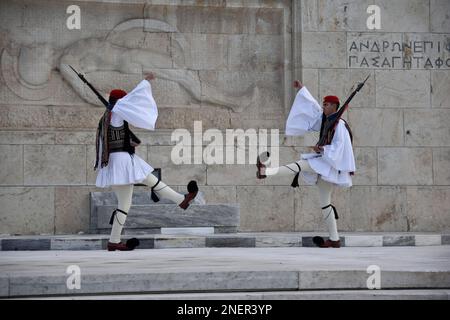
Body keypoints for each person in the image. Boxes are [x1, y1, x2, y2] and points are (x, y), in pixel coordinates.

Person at [95, 73, 200, 251]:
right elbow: (133, 100)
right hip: (122, 161)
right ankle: (181, 200)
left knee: (131, 198)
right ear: (120, 102)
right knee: (147, 184)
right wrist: (145, 82)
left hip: (115, 161)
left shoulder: (106, 118)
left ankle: (114, 241)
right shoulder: (118, 113)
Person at [256, 80, 355, 248]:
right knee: (325, 203)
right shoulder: (327, 120)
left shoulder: (340, 125)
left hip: (330, 164)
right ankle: (335, 239)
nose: (323, 106)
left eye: (326, 104)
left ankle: (266, 172)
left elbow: (341, 147)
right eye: (323, 104)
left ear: (334, 106)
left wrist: (322, 149)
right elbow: (312, 108)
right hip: (325, 164)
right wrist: (302, 90)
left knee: (301, 164)